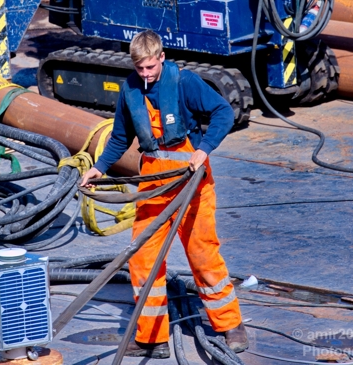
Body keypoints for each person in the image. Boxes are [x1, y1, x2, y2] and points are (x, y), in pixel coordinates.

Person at [80, 30, 248, 359]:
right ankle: (152, 337)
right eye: (140, 69)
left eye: (150, 68)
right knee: (144, 259)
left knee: (202, 255)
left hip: (192, 183)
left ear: (161, 58)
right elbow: (119, 137)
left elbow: (223, 113)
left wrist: (203, 150)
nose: (145, 75)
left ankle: (231, 325)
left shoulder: (185, 83)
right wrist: (98, 168)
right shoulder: (130, 91)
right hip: (154, 186)